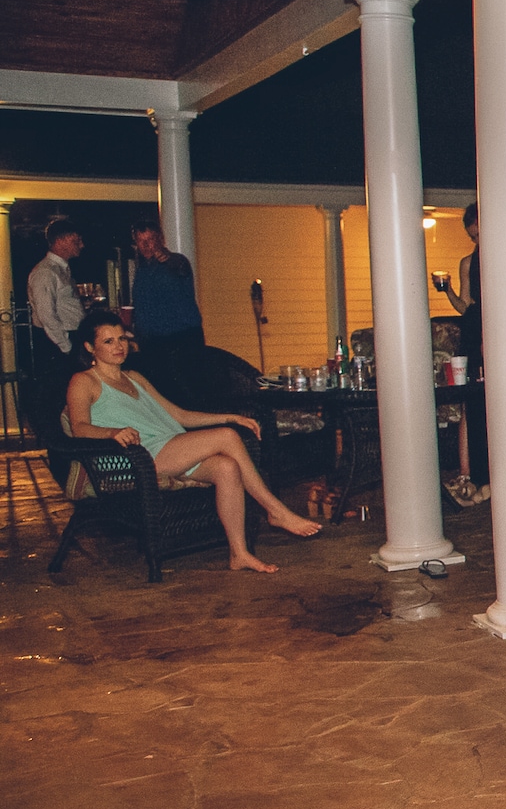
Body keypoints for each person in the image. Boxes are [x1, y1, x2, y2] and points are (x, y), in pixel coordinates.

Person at [64, 310, 322, 573]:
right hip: (133, 458)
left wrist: (231, 416)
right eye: (108, 341)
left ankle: (239, 553)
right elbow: (79, 427)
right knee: (227, 437)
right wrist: (110, 433)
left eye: (121, 338)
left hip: (168, 448)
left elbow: (178, 415)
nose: (119, 346)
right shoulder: (83, 381)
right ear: (89, 347)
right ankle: (274, 510)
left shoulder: (134, 377)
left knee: (226, 468)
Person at [435, 205, 489, 508]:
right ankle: (471, 475)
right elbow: (465, 305)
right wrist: (448, 292)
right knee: (471, 401)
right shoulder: (468, 262)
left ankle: (488, 476)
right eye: (473, 237)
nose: (478, 240)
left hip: (494, 330)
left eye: (480, 233)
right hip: (473, 329)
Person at [126, 215, 207, 408]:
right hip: (154, 344)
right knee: (161, 396)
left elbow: (178, 267)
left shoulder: (176, 261)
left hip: (182, 341)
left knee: (189, 396)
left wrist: (167, 258)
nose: (146, 245)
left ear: (160, 240)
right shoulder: (141, 270)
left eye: (150, 240)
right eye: (141, 241)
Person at [27, 218, 86, 378]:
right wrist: (67, 347)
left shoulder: (61, 269)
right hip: (58, 343)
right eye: (76, 240)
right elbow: (46, 315)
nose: (82, 245)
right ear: (60, 241)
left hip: (68, 338)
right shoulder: (46, 272)